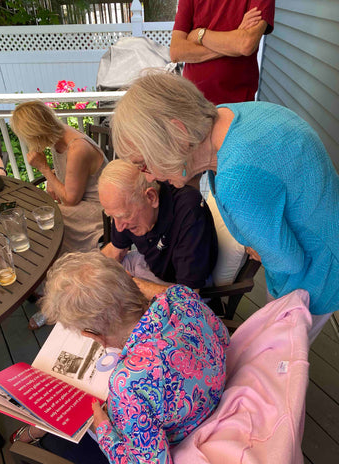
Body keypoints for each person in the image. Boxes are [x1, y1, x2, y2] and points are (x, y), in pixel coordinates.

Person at [110, 72, 339, 344]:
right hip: (325, 235)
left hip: (316, 277)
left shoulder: (236, 181)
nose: (149, 177)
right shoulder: (228, 115)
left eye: (145, 163)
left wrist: (264, 247)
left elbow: (289, 261)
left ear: (178, 134)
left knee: (280, 361)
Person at [11, 251, 229, 464]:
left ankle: (35, 432)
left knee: (58, 433)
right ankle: (35, 431)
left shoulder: (128, 385)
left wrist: (104, 430)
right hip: (212, 395)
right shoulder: (182, 297)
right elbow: (223, 338)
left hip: (184, 434)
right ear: (128, 280)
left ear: (91, 334)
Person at [99, 159, 218, 300]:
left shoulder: (189, 212)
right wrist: (90, 271)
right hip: (151, 266)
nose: (118, 227)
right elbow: (115, 250)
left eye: (123, 216)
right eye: (113, 217)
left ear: (151, 197)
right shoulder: (128, 207)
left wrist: (129, 284)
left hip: (184, 286)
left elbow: (188, 296)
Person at [11, 101, 106, 254]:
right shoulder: (58, 135)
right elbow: (70, 169)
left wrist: (44, 168)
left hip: (101, 210)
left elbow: (70, 200)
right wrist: (53, 177)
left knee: (46, 222)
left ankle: (62, 263)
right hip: (81, 202)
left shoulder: (77, 148)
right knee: (40, 216)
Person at [170, 0, 275, 105]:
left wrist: (200, 35)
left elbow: (246, 44)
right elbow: (176, 51)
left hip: (237, 103)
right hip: (194, 102)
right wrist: (234, 44)